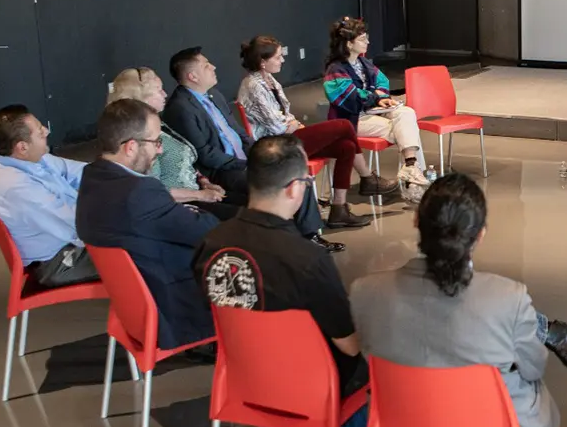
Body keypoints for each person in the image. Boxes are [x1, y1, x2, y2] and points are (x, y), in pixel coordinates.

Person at [350, 173, 567, 427]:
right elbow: (534, 369)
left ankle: (561, 338)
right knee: (527, 383)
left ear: (415, 221)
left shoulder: (365, 292)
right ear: (480, 235)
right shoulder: (508, 298)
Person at [194, 135, 369, 427]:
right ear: (294, 188)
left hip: (242, 375)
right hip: (310, 385)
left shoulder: (210, 242)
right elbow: (350, 346)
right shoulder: (306, 259)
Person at [161, 46, 345, 252]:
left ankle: (307, 236)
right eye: (206, 65)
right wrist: (248, 163)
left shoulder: (214, 95)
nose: (213, 67)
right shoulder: (180, 108)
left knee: (297, 173)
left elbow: (238, 132)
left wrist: (258, 153)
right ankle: (304, 238)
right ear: (192, 76)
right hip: (223, 171)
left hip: (243, 161)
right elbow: (205, 154)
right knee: (290, 179)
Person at [76, 99, 219, 351]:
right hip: (176, 309)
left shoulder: (94, 177)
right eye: (156, 142)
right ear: (131, 147)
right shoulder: (140, 192)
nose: (160, 151)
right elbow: (208, 230)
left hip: (134, 310)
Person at [236, 34, 400, 223]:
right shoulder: (253, 85)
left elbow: (285, 116)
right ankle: (368, 178)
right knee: (345, 125)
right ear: (263, 61)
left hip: (288, 136)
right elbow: (277, 125)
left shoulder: (270, 80)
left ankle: (339, 209)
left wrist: (293, 123)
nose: (282, 60)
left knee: (346, 147)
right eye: (278, 57)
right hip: (275, 146)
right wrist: (292, 124)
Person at [0, 105, 99, 287]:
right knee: (140, 247)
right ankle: (142, 309)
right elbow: (77, 223)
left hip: (66, 237)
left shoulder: (23, 159)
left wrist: (114, 176)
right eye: (40, 132)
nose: (46, 131)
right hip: (55, 262)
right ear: (22, 147)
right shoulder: (16, 187)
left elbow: (74, 171)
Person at [107, 67, 237, 220]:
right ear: (141, 98)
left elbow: (182, 161)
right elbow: (152, 191)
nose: (165, 94)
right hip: (179, 207)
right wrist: (200, 195)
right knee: (247, 218)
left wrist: (204, 181)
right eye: (159, 90)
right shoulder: (142, 139)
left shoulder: (159, 124)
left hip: (197, 192)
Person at [322, 17, 429, 201]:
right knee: (404, 128)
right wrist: (375, 96)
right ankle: (413, 180)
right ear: (349, 44)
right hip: (351, 121)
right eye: (363, 39)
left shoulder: (364, 64)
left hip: (369, 113)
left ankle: (411, 168)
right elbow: (351, 99)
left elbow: (383, 83)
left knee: (407, 113)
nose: (368, 42)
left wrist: (377, 98)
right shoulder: (335, 70)